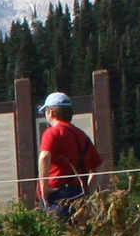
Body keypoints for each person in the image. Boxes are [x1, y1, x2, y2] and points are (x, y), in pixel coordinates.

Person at [37, 91, 102, 219]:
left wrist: (45, 189)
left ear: (51, 112)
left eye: (45, 112)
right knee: (80, 235)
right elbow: (98, 168)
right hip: (79, 195)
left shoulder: (52, 132)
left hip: (58, 195)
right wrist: (87, 193)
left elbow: (44, 156)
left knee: (58, 235)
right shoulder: (81, 135)